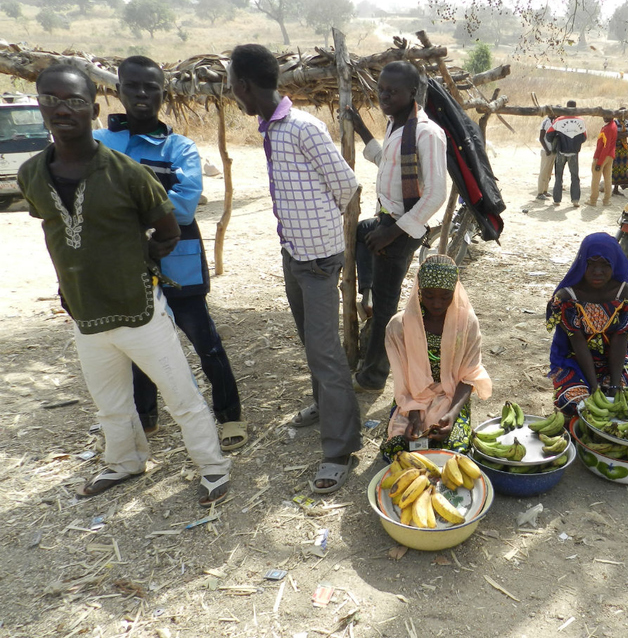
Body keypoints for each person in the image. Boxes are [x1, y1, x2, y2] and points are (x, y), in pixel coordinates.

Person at [18, 64, 231, 505]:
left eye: (75, 101)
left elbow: (170, 229)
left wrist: (142, 262)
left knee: (181, 394)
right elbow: (55, 228)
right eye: (51, 99)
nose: (63, 110)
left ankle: (213, 467)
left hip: (139, 308)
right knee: (110, 402)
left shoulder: (125, 172)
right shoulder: (34, 174)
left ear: (94, 109)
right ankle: (125, 462)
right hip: (85, 314)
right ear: (39, 105)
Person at [228, 44, 362, 492]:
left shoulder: (302, 127)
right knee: (310, 340)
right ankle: (325, 407)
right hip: (295, 253)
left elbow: (345, 184)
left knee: (325, 352)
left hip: (319, 259)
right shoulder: (270, 128)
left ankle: (340, 448)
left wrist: (323, 233)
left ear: (245, 85)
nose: (234, 96)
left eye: (233, 88)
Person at [95, 56, 245, 451]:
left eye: (152, 88)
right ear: (118, 91)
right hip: (125, 263)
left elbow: (184, 206)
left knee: (205, 340)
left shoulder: (180, 146)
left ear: (163, 94)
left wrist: (123, 206)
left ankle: (230, 416)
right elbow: (91, 203)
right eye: (134, 86)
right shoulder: (100, 143)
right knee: (138, 340)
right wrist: (153, 194)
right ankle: (146, 419)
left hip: (178, 256)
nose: (143, 94)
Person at [344, 61, 448, 393]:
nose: (384, 96)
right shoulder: (396, 126)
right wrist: (361, 129)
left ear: (413, 93)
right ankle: (368, 293)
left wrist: (392, 232)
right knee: (361, 232)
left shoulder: (426, 133)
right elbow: (385, 161)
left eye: (392, 91)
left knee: (388, 309)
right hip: (387, 221)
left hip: (402, 230)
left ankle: (373, 376)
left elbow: (435, 195)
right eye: (381, 89)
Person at [380, 254, 491, 460]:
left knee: (454, 451)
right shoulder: (400, 327)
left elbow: (469, 376)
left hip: (452, 397)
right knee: (397, 449)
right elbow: (403, 379)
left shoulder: (466, 325)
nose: (437, 304)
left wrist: (451, 414)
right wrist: (414, 415)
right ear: (418, 291)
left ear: (455, 292)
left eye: (445, 296)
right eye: (429, 296)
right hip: (412, 398)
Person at [546, 233, 628, 417]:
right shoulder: (567, 297)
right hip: (576, 360)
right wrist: (594, 387)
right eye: (591, 264)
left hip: (616, 359)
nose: (597, 271)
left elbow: (620, 337)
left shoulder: (626, 294)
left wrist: (615, 385)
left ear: (615, 264)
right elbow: (578, 342)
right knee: (575, 404)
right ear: (582, 263)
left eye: (605, 265)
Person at [546, 100, 587, 207]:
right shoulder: (581, 121)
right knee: (575, 176)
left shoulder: (559, 120)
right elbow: (584, 137)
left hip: (561, 152)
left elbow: (548, 135)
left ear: (566, 107)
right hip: (574, 153)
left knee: (558, 176)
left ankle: (557, 200)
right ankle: (575, 200)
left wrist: (557, 139)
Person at [588, 114, 617, 207]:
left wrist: (599, 162)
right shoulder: (613, 125)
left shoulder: (608, 128)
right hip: (610, 155)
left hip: (602, 156)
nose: (604, 117)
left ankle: (593, 201)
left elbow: (605, 146)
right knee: (608, 178)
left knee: (596, 179)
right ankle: (606, 201)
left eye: (607, 116)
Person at [611, 115, 628, 194]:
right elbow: (614, 134)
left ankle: (626, 183)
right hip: (615, 146)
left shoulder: (627, 122)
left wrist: (622, 134)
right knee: (616, 165)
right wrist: (626, 133)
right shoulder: (615, 123)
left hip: (624, 146)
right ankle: (615, 188)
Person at [536, 106, 556, 200]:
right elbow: (541, 138)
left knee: (549, 172)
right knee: (543, 171)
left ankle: (545, 190)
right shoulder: (545, 122)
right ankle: (540, 192)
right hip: (546, 150)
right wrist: (547, 150)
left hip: (553, 150)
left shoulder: (555, 121)